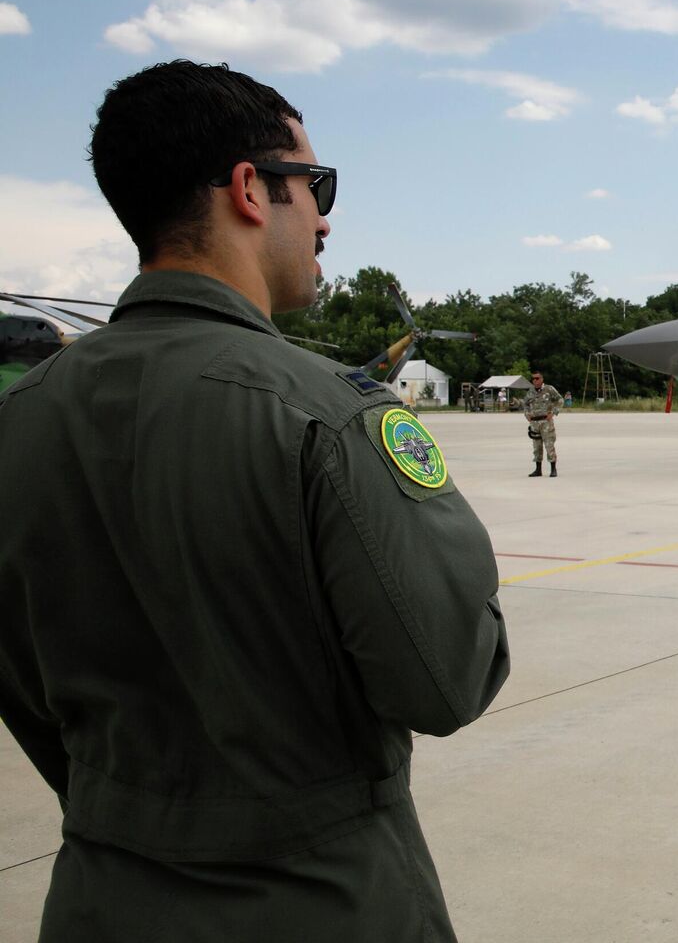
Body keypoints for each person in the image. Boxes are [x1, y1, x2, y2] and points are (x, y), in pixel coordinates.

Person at [0, 61, 510, 942]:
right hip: (321, 902)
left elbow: (27, 695)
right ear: (249, 189)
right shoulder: (328, 415)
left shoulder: (18, 419)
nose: (324, 216)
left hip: (99, 899)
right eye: (315, 184)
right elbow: (448, 679)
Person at [524, 371, 563, 476]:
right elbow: (526, 404)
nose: (535, 380)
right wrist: (527, 414)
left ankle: (553, 469)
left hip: (546, 422)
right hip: (535, 423)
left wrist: (553, 412)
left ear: (542, 379)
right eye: (533, 379)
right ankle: (538, 470)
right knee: (537, 447)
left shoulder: (549, 389)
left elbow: (560, 400)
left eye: (537, 378)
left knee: (549, 445)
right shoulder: (530, 391)